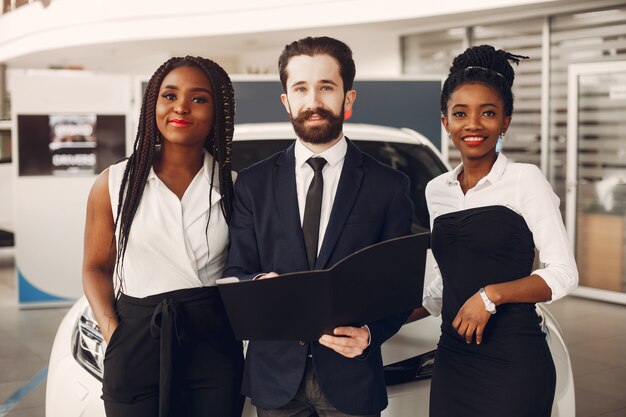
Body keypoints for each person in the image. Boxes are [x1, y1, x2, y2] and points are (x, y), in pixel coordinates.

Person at [223, 36, 413, 417]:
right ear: (286, 101)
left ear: (348, 98)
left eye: (326, 87)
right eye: (301, 89)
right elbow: (236, 272)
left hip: (353, 377)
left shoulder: (388, 186)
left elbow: (399, 287)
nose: (313, 101)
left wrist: (371, 334)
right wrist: (259, 285)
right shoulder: (252, 183)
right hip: (274, 378)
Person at [408, 45, 578, 417]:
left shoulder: (524, 180)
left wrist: (490, 296)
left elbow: (564, 275)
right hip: (452, 360)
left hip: (514, 361)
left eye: (488, 113)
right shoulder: (436, 190)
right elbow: (444, 284)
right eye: (460, 113)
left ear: (505, 121)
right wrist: (392, 313)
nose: (473, 124)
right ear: (445, 121)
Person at [82, 56, 244, 417]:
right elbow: (95, 267)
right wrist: (114, 334)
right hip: (136, 343)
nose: (181, 107)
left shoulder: (234, 188)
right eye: (169, 95)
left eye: (199, 99)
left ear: (218, 113)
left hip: (214, 347)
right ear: (153, 104)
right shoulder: (113, 183)